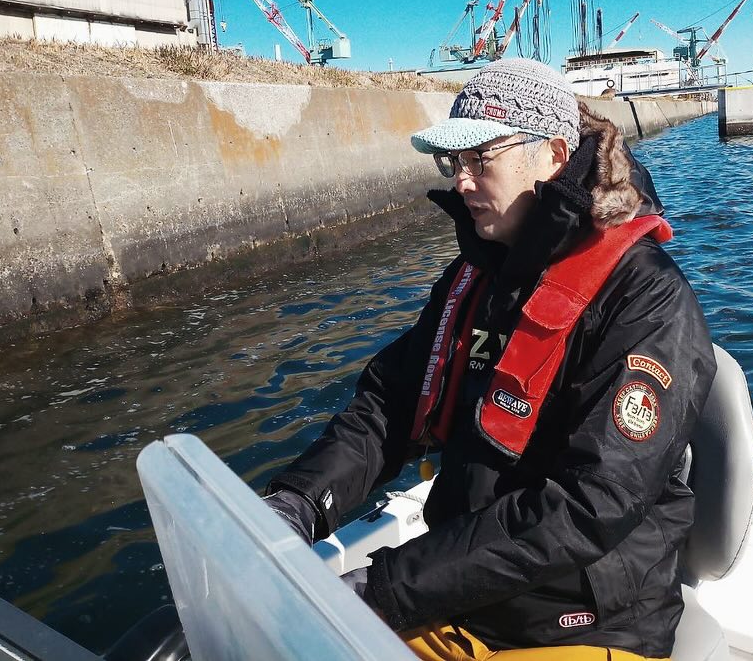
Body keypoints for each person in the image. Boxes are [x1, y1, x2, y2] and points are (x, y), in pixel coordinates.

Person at [264, 58, 716, 660]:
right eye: (455, 162)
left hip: (583, 624)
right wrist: (297, 502)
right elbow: (390, 405)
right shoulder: (475, 278)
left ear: (554, 154)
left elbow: (592, 503)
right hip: (457, 598)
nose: (461, 182)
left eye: (483, 159)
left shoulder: (647, 299)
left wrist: (387, 589)